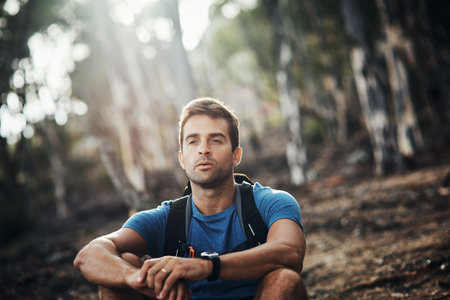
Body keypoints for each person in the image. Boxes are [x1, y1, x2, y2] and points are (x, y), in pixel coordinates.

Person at [74, 97, 307, 300]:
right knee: (122, 263)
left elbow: (290, 252)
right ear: (182, 158)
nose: (203, 150)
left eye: (215, 140)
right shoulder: (164, 219)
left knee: (284, 280)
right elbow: (88, 255)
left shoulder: (271, 202)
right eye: (193, 141)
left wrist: (207, 267)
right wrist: (134, 277)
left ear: (236, 155)